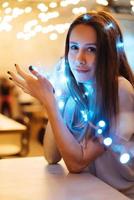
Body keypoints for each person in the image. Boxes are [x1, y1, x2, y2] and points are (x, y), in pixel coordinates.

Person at [7, 11, 134, 199]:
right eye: (74, 47)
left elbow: (77, 163)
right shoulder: (74, 91)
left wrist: (48, 102)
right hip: (88, 192)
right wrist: (55, 96)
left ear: (109, 54)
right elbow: (51, 156)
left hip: (118, 195)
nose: (79, 59)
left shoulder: (119, 89)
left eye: (92, 49)